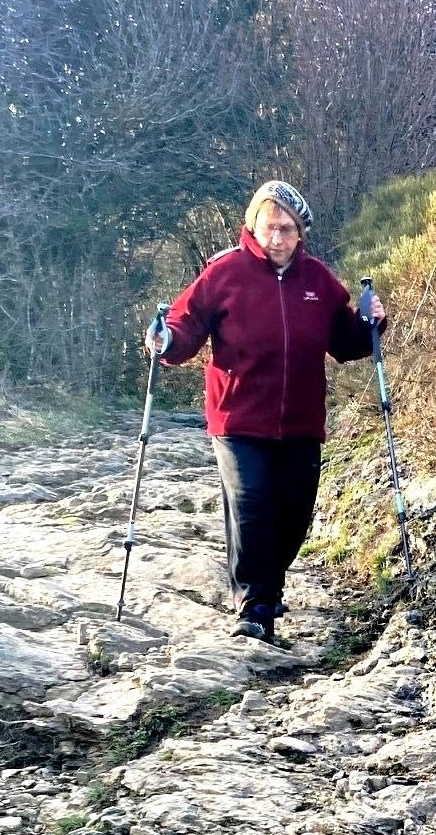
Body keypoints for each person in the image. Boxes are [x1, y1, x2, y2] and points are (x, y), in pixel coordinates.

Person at [147, 180, 386, 643]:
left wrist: (371, 321)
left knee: (294, 514)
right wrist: (167, 339)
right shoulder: (225, 273)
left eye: (287, 229)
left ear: (301, 233)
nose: (277, 238)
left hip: (300, 421)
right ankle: (254, 607)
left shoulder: (318, 280)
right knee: (252, 503)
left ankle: (267, 586)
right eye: (269, 227)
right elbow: (186, 323)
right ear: (253, 228)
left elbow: (347, 341)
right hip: (237, 418)